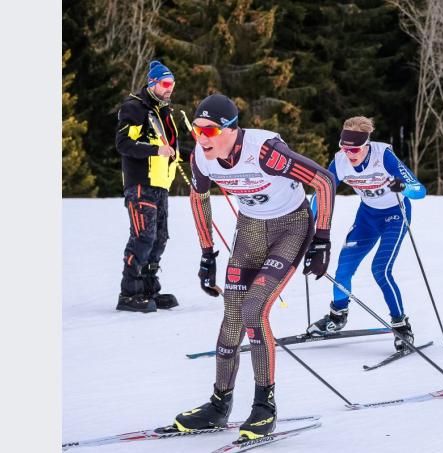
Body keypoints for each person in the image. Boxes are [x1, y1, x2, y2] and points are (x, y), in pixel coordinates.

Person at [172, 94, 335, 442]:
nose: (202, 137)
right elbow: (198, 198)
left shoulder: (265, 151)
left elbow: (323, 181)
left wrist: (322, 239)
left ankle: (265, 406)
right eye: (197, 130)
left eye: (211, 129)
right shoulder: (202, 157)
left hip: (291, 228)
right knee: (232, 315)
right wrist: (207, 254)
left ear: (231, 129)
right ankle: (219, 404)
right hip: (250, 230)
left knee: (253, 309)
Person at [306, 116, 426, 352]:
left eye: (355, 149)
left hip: (395, 216)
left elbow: (420, 190)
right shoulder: (340, 162)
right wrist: (309, 224)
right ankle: (337, 316)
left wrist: (402, 187)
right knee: (343, 268)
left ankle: (401, 326)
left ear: (366, 144)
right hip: (367, 217)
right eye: (344, 147)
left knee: (380, 270)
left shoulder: (384, 156)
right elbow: (322, 193)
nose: (349, 154)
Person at [114, 60, 181, 313]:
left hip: (161, 183)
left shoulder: (164, 112)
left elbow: (170, 148)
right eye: (165, 84)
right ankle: (129, 292)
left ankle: (149, 288)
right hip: (141, 183)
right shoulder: (135, 108)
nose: (169, 89)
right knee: (144, 236)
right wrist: (156, 149)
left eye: (172, 84)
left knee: (160, 238)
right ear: (152, 84)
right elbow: (123, 144)